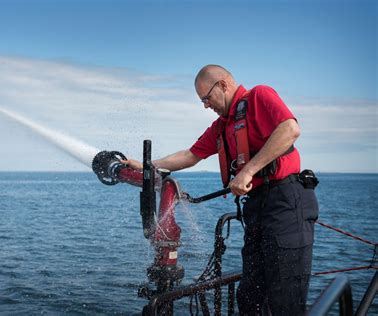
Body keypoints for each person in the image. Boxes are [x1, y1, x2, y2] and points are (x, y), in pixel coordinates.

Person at [122, 65, 319, 315]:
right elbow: (190, 155)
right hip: (258, 208)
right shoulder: (222, 126)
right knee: (250, 296)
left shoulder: (260, 96)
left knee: (284, 300)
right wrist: (146, 165)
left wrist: (247, 171)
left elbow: (289, 129)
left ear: (223, 85)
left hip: (286, 204)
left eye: (207, 98)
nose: (206, 105)